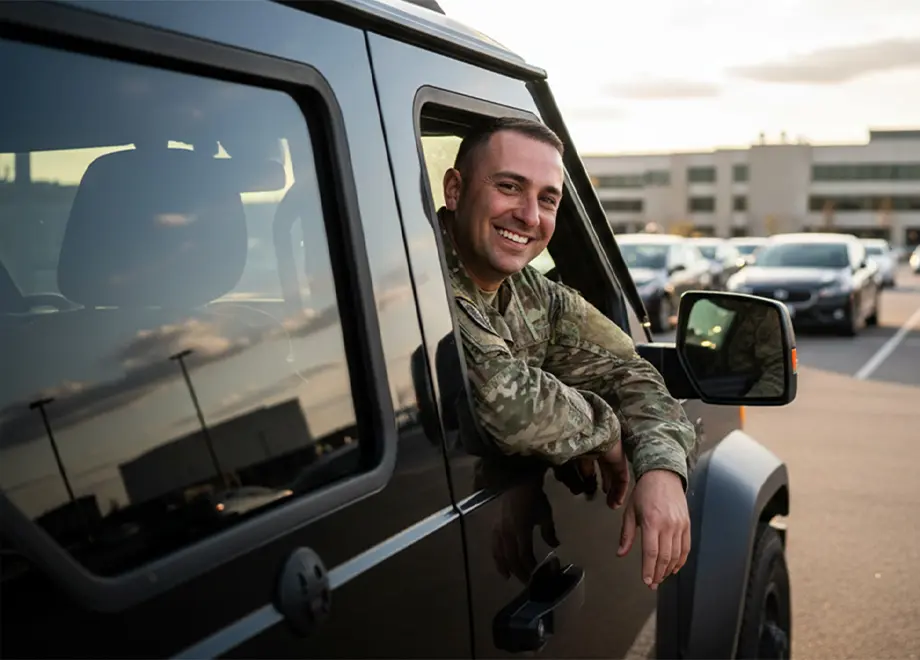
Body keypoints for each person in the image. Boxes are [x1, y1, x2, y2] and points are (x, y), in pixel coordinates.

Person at [436, 116, 699, 590]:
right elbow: (504, 401)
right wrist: (604, 433)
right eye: (510, 186)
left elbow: (630, 372)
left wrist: (660, 467)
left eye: (547, 199)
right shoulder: (420, 278)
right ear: (455, 190)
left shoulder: (536, 293)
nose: (530, 216)